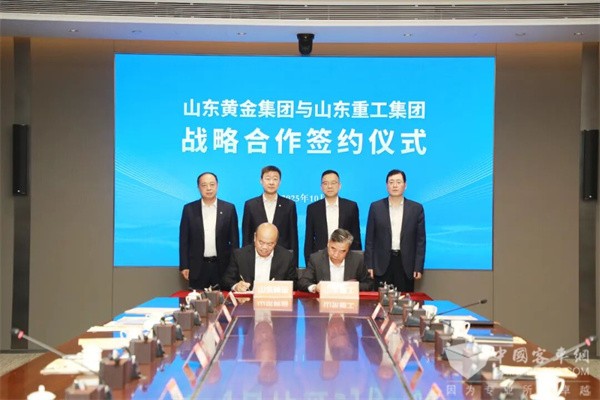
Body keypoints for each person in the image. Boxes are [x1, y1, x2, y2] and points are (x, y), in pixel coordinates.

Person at [365, 169, 426, 292]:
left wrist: (418, 267)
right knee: (381, 300)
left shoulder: (416, 208)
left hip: (406, 264)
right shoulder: (376, 207)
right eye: (391, 182)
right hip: (381, 264)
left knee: (404, 300)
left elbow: (420, 241)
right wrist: (369, 265)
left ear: (405, 185)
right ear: (386, 185)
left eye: (398, 182)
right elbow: (369, 239)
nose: (395, 185)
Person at [179, 172, 239, 290]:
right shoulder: (189, 209)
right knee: (197, 300)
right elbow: (184, 240)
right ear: (198, 187)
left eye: (212, 184)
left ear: (217, 185)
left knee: (224, 300)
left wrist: (235, 266)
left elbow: (234, 241)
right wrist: (184, 265)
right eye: (204, 185)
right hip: (197, 267)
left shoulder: (229, 208)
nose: (208, 188)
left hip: (222, 267)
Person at [242, 165, 299, 267]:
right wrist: (245, 261)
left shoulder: (289, 205)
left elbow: (293, 237)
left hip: (282, 259)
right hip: (256, 258)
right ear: (261, 181)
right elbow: (246, 236)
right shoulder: (250, 205)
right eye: (268, 179)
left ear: (280, 182)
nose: (271, 182)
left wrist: (294, 264)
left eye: (275, 179)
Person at [304, 170, 361, 267]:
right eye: (325, 183)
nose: (329, 186)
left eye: (333, 183)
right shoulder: (313, 208)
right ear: (321, 187)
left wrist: (356, 263)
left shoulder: (351, 206)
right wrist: (309, 264)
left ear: (339, 185)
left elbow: (356, 237)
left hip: (345, 259)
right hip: (320, 260)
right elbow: (309, 239)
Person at [221, 223, 297, 291]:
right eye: (261, 242)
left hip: (274, 300)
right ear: (255, 237)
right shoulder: (240, 255)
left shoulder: (286, 257)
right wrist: (236, 286)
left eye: (270, 244)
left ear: (276, 242)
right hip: (247, 301)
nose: (264, 247)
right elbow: (226, 280)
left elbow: (293, 284)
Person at [299, 228, 372, 293]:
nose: (336, 254)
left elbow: (369, 284)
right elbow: (302, 282)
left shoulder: (357, 260)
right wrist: (315, 287)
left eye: (342, 251)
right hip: (324, 302)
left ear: (348, 249)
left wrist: (353, 286)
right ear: (328, 243)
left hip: (348, 301)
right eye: (333, 248)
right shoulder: (316, 259)